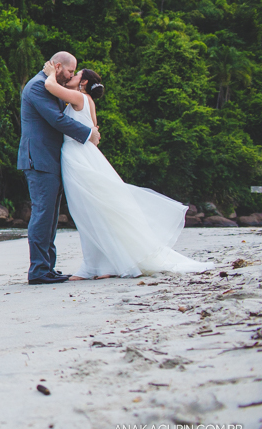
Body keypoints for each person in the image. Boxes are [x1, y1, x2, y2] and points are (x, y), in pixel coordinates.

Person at [42, 63, 214, 278]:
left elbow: (50, 86)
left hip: (78, 157)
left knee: (87, 211)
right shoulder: (88, 101)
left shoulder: (79, 97)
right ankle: (104, 265)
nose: (73, 77)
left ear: (84, 82)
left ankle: (96, 267)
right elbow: (94, 131)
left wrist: (50, 73)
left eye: (77, 75)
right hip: (85, 155)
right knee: (93, 211)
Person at [18, 52, 100, 285]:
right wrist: (88, 134)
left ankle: (47, 267)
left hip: (51, 159)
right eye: (71, 71)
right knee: (43, 213)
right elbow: (57, 120)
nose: (72, 75)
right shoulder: (37, 87)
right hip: (39, 159)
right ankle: (38, 270)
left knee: (51, 216)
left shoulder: (49, 86)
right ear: (58, 67)